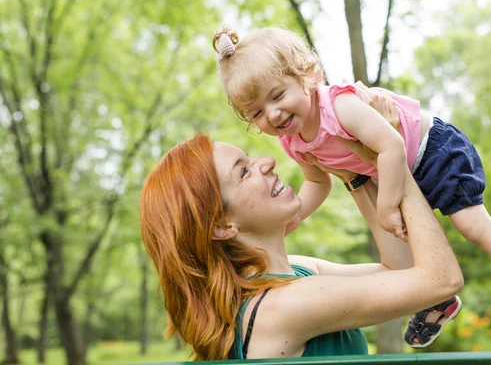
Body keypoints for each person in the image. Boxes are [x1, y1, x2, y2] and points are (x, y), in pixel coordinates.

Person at [211, 26, 491, 350]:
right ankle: (436, 302)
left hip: (430, 150)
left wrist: (387, 206)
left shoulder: (339, 106)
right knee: (406, 254)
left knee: (471, 224)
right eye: (257, 113)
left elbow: (391, 147)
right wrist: (296, 218)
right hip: (388, 174)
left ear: (305, 76)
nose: (272, 115)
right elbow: (316, 182)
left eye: (277, 96)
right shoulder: (294, 142)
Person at [140, 130, 463, 360]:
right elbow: (441, 280)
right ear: (223, 226)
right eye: (243, 171)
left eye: (249, 158)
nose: (266, 161)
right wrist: (389, 155)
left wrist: (353, 172)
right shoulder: (281, 306)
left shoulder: (296, 272)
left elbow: (401, 271)